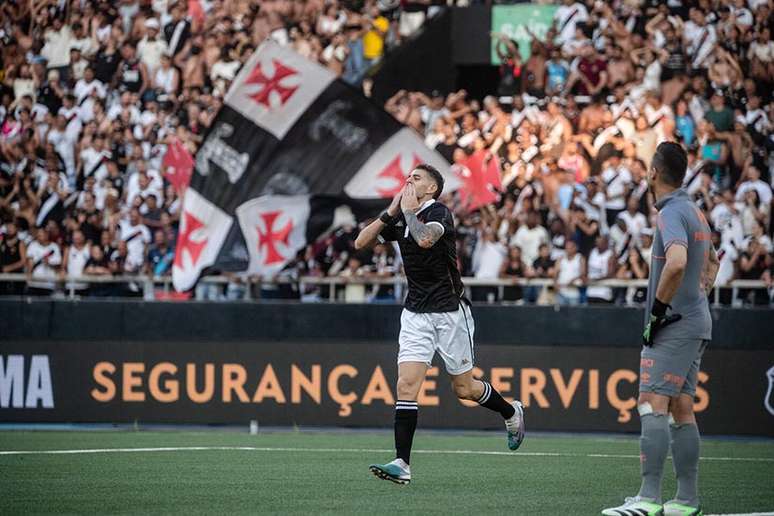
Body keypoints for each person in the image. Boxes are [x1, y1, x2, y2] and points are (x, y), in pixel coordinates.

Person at [354, 164, 525, 485]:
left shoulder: (440, 213)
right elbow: (361, 243)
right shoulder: (403, 214)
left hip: (449, 311)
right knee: (406, 386)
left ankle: (510, 411)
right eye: (409, 177)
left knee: (464, 389)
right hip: (416, 312)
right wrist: (391, 211)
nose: (409, 180)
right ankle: (402, 463)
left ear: (431, 189)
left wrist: (406, 211)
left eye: (416, 178)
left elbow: (425, 240)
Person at [603, 142, 718, 516]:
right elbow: (713, 262)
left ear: (654, 173)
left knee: (651, 403)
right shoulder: (695, 212)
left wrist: (657, 312)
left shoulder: (670, 213)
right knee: (682, 408)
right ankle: (686, 501)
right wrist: (697, 297)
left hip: (673, 326)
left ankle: (648, 498)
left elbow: (677, 263)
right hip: (695, 322)